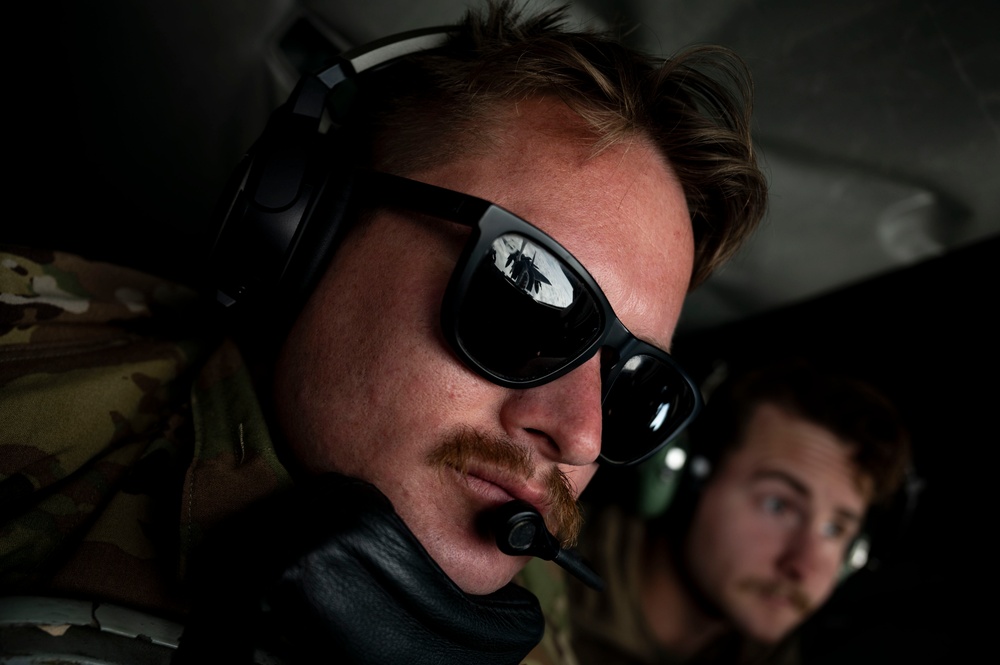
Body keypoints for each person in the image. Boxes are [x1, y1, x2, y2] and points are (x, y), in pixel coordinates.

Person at [0, 1, 766, 662]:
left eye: (634, 383)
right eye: (527, 298)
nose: (580, 436)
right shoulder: (22, 373)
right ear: (310, 232)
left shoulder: (541, 625)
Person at [565, 361, 914, 665]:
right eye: (778, 505)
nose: (801, 565)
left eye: (835, 530)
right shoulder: (529, 586)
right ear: (687, 482)